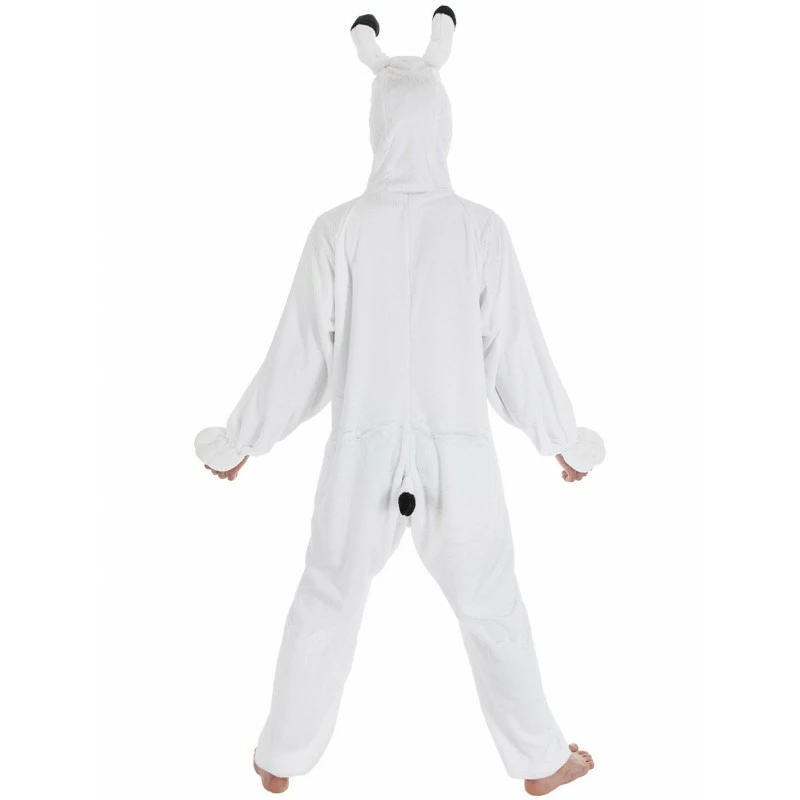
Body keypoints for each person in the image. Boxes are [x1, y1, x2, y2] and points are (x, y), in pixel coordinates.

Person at [195, 7, 604, 795]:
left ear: (376, 127)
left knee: (328, 593)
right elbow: (516, 352)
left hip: (363, 445)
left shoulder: (339, 230)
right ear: (443, 125)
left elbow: (300, 354)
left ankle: (280, 755)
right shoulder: (479, 230)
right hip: (459, 449)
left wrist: (242, 440)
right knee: (491, 600)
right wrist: (561, 439)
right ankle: (539, 760)